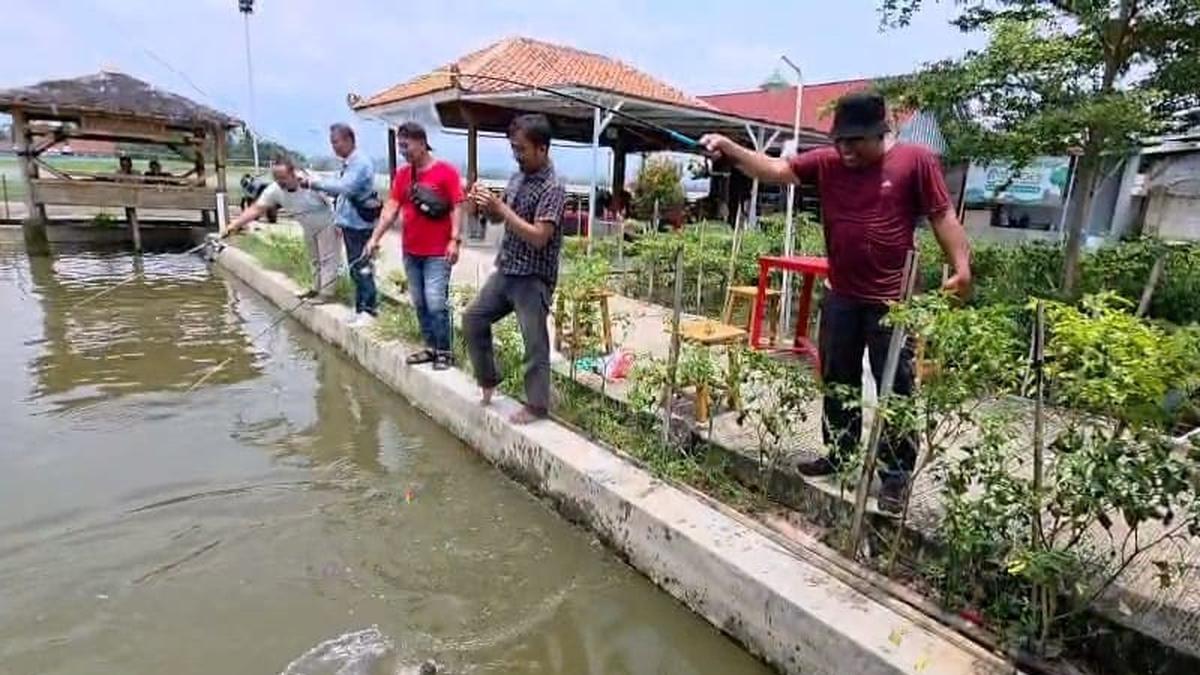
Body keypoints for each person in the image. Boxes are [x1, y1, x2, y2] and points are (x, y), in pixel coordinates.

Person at [699, 91, 972, 513]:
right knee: (837, 377)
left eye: (855, 141)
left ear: (881, 133)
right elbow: (776, 169)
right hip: (841, 293)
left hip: (893, 303)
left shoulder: (915, 161)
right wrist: (731, 149)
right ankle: (840, 454)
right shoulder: (828, 163)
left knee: (895, 387)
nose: (845, 149)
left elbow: (942, 215)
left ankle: (895, 475)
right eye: (840, 140)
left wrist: (962, 266)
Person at [463, 114, 566, 425]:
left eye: (522, 149)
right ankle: (488, 379)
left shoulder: (553, 187)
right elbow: (499, 218)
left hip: (533, 277)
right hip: (507, 269)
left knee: (534, 343)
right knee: (473, 318)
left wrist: (501, 209)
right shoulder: (517, 177)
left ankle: (537, 406)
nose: (516, 155)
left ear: (542, 148)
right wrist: (485, 206)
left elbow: (539, 237)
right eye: (514, 148)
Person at [366, 122, 464, 370]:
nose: (403, 151)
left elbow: (457, 206)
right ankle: (430, 347)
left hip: (438, 252)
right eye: (400, 146)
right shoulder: (403, 175)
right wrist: (375, 237)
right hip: (411, 250)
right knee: (419, 302)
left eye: (406, 145)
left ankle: (445, 351)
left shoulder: (446, 172)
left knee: (435, 301)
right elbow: (391, 208)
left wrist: (455, 240)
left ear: (421, 143)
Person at [227, 155, 339, 301]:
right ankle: (315, 289)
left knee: (327, 260)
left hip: (327, 223)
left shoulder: (312, 182)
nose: (280, 182)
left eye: (283, 178)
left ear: (292, 173)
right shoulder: (274, 190)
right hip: (308, 226)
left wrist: (340, 223)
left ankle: (326, 294)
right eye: (276, 178)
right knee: (314, 259)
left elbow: (335, 200)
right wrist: (235, 225)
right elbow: (256, 208)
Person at [304, 123, 380, 328]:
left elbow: (345, 187)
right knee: (355, 268)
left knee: (362, 267)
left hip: (360, 225)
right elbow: (337, 189)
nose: (334, 147)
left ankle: (369, 310)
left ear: (348, 140)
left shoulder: (360, 163)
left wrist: (313, 183)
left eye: (336, 142)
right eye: (332, 143)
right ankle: (360, 309)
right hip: (350, 224)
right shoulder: (348, 164)